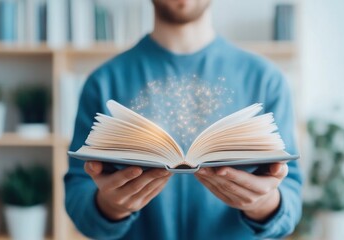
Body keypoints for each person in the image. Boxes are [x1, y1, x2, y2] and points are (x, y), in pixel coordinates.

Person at [65, 0, 302, 239]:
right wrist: (110, 207)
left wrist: (264, 205)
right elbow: (78, 194)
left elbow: (290, 191)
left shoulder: (265, 79)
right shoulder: (103, 82)